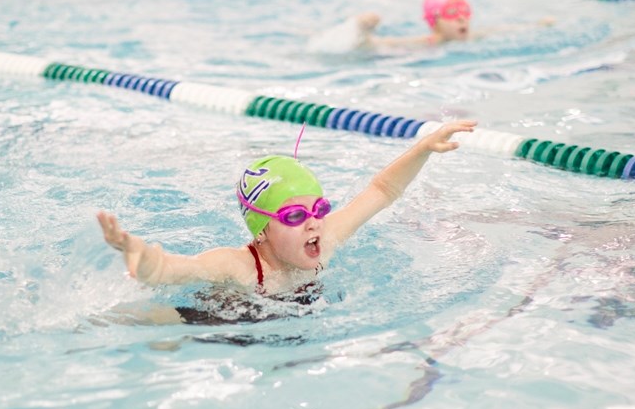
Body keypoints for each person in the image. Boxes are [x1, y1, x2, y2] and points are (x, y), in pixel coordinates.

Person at [97, 119, 477, 322]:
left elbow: (381, 190)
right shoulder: (237, 264)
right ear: (261, 229)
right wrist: (137, 253)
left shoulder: (325, 239)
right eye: (294, 215)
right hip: (212, 323)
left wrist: (423, 148)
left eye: (319, 209)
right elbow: (170, 269)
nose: (314, 223)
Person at [306, 0, 553, 53]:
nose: (462, 20)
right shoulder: (427, 42)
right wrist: (361, 28)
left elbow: (502, 29)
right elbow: (377, 45)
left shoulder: (474, 37)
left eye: (465, 13)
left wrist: (536, 26)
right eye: (452, 14)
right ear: (434, 21)